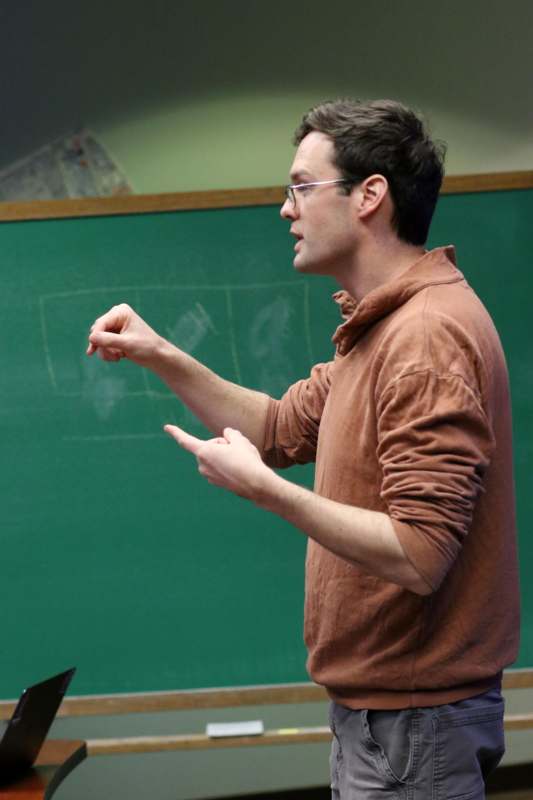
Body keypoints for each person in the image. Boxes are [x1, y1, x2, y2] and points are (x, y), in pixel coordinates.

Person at [87, 99, 520, 799]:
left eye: (300, 187)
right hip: (391, 722)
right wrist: (158, 353)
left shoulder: (423, 337)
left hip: (414, 726)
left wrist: (263, 489)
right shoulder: (382, 327)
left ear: (368, 195)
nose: (285, 210)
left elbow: (419, 553)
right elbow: (278, 427)